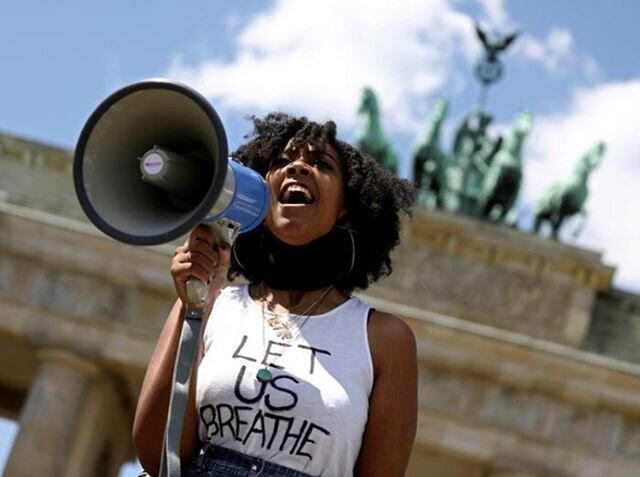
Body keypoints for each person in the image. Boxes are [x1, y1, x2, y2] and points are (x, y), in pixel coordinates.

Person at [132, 113, 418, 477]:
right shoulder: (215, 303)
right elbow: (156, 452)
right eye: (282, 162)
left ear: (347, 207)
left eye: (321, 164)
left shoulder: (383, 339)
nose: (297, 167)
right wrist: (194, 307)